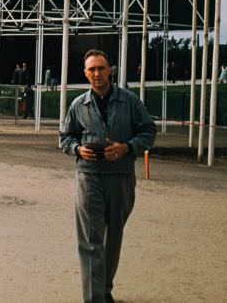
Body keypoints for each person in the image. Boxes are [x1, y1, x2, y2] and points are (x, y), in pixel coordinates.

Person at [59, 49, 157, 303]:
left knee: (113, 238)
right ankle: (94, 298)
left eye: (101, 68)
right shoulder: (78, 105)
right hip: (89, 177)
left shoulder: (130, 102)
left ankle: (104, 291)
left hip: (121, 177)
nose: (97, 74)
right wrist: (77, 149)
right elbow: (65, 137)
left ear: (110, 70)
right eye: (91, 69)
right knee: (90, 240)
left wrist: (128, 147)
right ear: (85, 73)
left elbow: (148, 132)